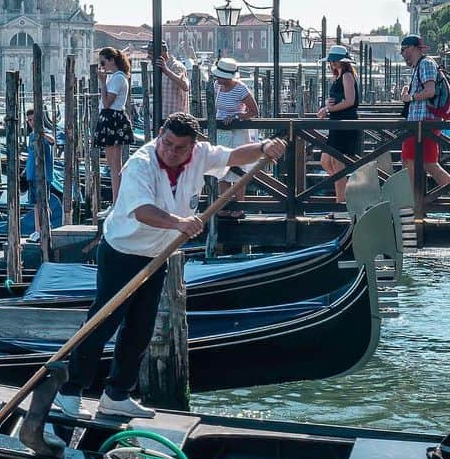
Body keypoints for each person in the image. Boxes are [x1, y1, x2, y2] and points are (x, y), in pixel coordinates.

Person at [50, 114, 287, 426]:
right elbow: (141, 210)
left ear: (193, 146)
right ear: (160, 135)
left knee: (141, 328)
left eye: (180, 147)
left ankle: (116, 395)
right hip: (122, 250)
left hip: (157, 254)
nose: (172, 151)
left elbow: (232, 156)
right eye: (168, 143)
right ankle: (68, 391)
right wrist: (179, 223)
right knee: (103, 322)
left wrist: (264, 147)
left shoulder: (200, 154)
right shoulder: (140, 164)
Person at [399, 33, 450, 191]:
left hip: (425, 123)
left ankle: (418, 203)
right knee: (411, 160)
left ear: (413, 48)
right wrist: (408, 93)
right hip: (418, 124)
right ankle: (418, 202)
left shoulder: (425, 64)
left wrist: (411, 97)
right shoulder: (419, 67)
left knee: (422, 162)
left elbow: (430, 91)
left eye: (403, 50)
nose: (402, 54)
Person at [211, 57, 260, 218]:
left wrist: (238, 116)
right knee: (221, 169)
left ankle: (239, 207)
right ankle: (224, 207)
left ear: (228, 76)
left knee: (238, 169)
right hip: (222, 131)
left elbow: (254, 111)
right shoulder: (217, 86)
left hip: (238, 132)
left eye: (219, 75)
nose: (216, 78)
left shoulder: (240, 89)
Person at [315, 44, 361, 208]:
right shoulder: (338, 76)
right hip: (337, 123)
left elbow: (350, 101)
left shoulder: (347, 76)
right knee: (326, 162)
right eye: (331, 61)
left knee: (337, 164)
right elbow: (338, 100)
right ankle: (347, 193)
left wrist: (328, 109)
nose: (332, 63)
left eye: (335, 60)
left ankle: (341, 202)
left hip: (345, 123)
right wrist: (328, 107)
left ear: (343, 62)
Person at [93, 47, 134, 202]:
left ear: (111, 60)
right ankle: (117, 199)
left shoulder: (117, 78)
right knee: (112, 163)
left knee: (115, 164)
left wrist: (102, 82)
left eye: (103, 62)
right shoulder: (116, 77)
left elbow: (107, 102)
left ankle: (118, 200)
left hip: (112, 117)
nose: (102, 66)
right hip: (111, 118)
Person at [23, 109, 55, 237]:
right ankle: (37, 230)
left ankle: (46, 227)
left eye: (33, 120)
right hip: (31, 175)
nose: (31, 123)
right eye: (29, 120)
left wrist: (42, 134)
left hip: (43, 175)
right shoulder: (30, 136)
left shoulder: (45, 134)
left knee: (43, 203)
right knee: (35, 204)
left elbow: (52, 141)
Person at [154, 42, 190, 115]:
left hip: (177, 120)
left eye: (151, 53)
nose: (148, 56)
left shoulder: (177, 66)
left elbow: (185, 86)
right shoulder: (160, 68)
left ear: (161, 53)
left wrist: (166, 70)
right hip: (165, 118)